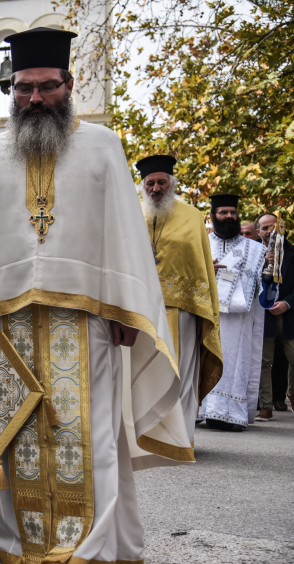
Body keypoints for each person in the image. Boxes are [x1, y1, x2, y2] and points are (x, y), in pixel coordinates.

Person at [0, 27, 192, 564]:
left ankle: (86, 549)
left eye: (46, 87)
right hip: (7, 322)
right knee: (9, 436)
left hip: (86, 323)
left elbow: (125, 235)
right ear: (11, 90)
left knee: (84, 439)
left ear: (69, 84)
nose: (34, 99)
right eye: (22, 88)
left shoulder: (104, 147)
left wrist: (129, 308)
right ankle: (15, 545)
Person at [137, 155, 222, 446]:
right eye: (151, 183)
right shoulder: (132, 215)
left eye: (162, 182)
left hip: (183, 310)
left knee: (181, 373)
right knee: (144, 371)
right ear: (143, 185)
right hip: (142, 309)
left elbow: (201, 269)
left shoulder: (192, 216)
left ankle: (180, 439)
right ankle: (145, 436)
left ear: (171, 183)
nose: (156, 188)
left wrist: (204, 314)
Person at [198, 193, 266, 431]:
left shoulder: (256, 250)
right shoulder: (200, 244)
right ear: (213, 216)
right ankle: (200, 409)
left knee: (235, 361)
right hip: (205, 315)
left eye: (233, 213)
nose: (229, 216)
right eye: (223, 212)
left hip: (238, 321)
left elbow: (263, 290)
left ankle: (227, 413)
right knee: (201, 358)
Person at [255, 212, 294, 421]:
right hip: (265, 314)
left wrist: (287, 303)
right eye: (265, 228)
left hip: (289, 313)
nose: (269, 231)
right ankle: (266, 405)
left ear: (282, 228)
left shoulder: (293, 253)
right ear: (258, 232)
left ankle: (292, 392)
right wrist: (262, 263)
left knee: (292, 356)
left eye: (273, 227)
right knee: (264, 361)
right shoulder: (254, 253)